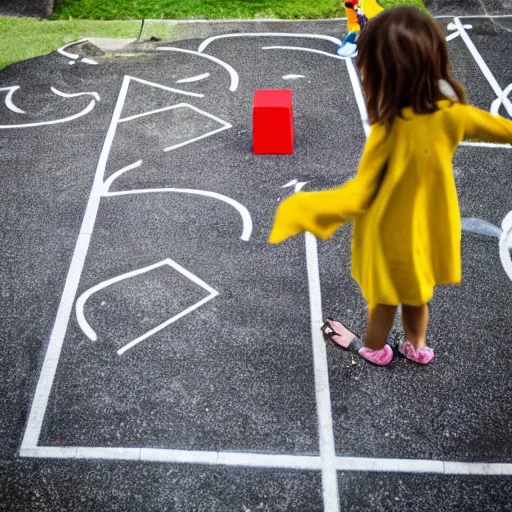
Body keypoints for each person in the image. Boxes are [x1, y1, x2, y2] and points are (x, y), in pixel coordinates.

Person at [268, 7, 512, 366]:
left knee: (383, 301)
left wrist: (304, 207)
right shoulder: (452, 114)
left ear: (386, 75)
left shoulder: (390, 130)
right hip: (429, 232)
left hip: (390, 237)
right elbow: (502, 129)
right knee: (417, 297)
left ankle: (376, 350)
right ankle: (418, 348)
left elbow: (361, 192)